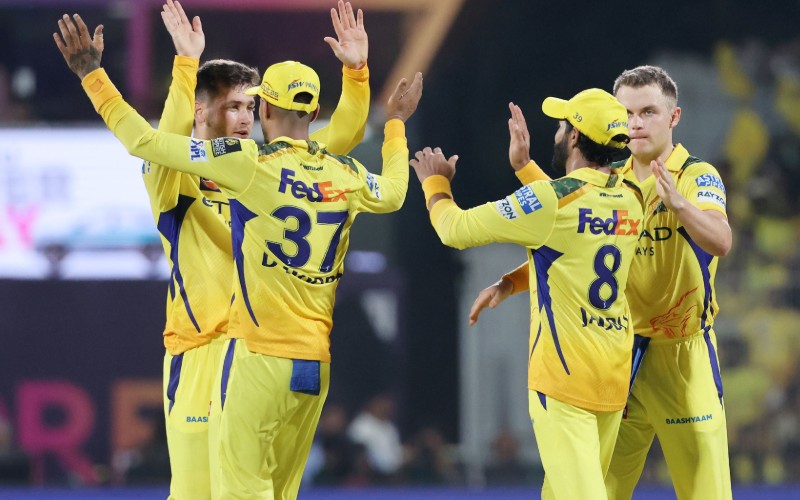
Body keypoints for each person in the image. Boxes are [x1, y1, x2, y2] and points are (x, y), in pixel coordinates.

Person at [55, 9, 422, 498]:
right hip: (201, 351)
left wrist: (357, 73)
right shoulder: (176, 178)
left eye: (252, 106)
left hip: (255, 356)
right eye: (233, 106)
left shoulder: (268, 167)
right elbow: (154, 141)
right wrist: (181, 64)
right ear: (200, 113)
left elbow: (343, 136)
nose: (247, 117)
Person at [472, 66, 733, 499]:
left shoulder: (696, 175)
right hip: (619, 359)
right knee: (591, 489)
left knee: (707, 491)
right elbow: (572, 248)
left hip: (682, 358)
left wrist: (679, 205)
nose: (635, 123)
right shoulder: (611, 178)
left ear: (674, 117)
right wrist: (510, 283)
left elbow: (721, 241)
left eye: (648, 112)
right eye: (627, 113)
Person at [410, 89, 642, 499]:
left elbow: (454, 229)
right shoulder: (631, 197)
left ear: (574, 137)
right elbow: (572, 234)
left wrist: (435, 183)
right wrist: (511, 281)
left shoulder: (550, 200)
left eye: (561, 125)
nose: (556, 132)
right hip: (613, 376)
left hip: (565, 382)